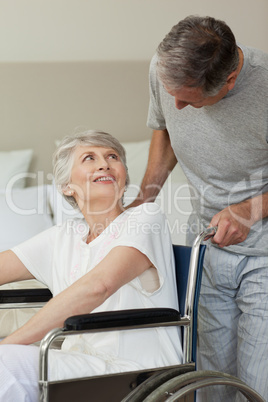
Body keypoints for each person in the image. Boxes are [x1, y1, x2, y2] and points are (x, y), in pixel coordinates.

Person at [129, 15, 268, 401]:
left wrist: (250, 210)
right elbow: (165, 132)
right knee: (209, 382)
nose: (176, 104)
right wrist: (144, 202)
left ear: (230, 81)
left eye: (189, 99)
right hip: (206, 246)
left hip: (264, 255)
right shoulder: (164, 69)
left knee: (257, 385)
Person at [0, 130, 182, 402]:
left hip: (138, 373)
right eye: (89, 158)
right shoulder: (63, 236)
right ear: (66, 186)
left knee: (7, 363)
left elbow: (97, 287)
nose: (105, 163)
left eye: (113, 157)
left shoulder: (145, 218)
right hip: (75, 366)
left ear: (123, 177)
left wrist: (7, 344)